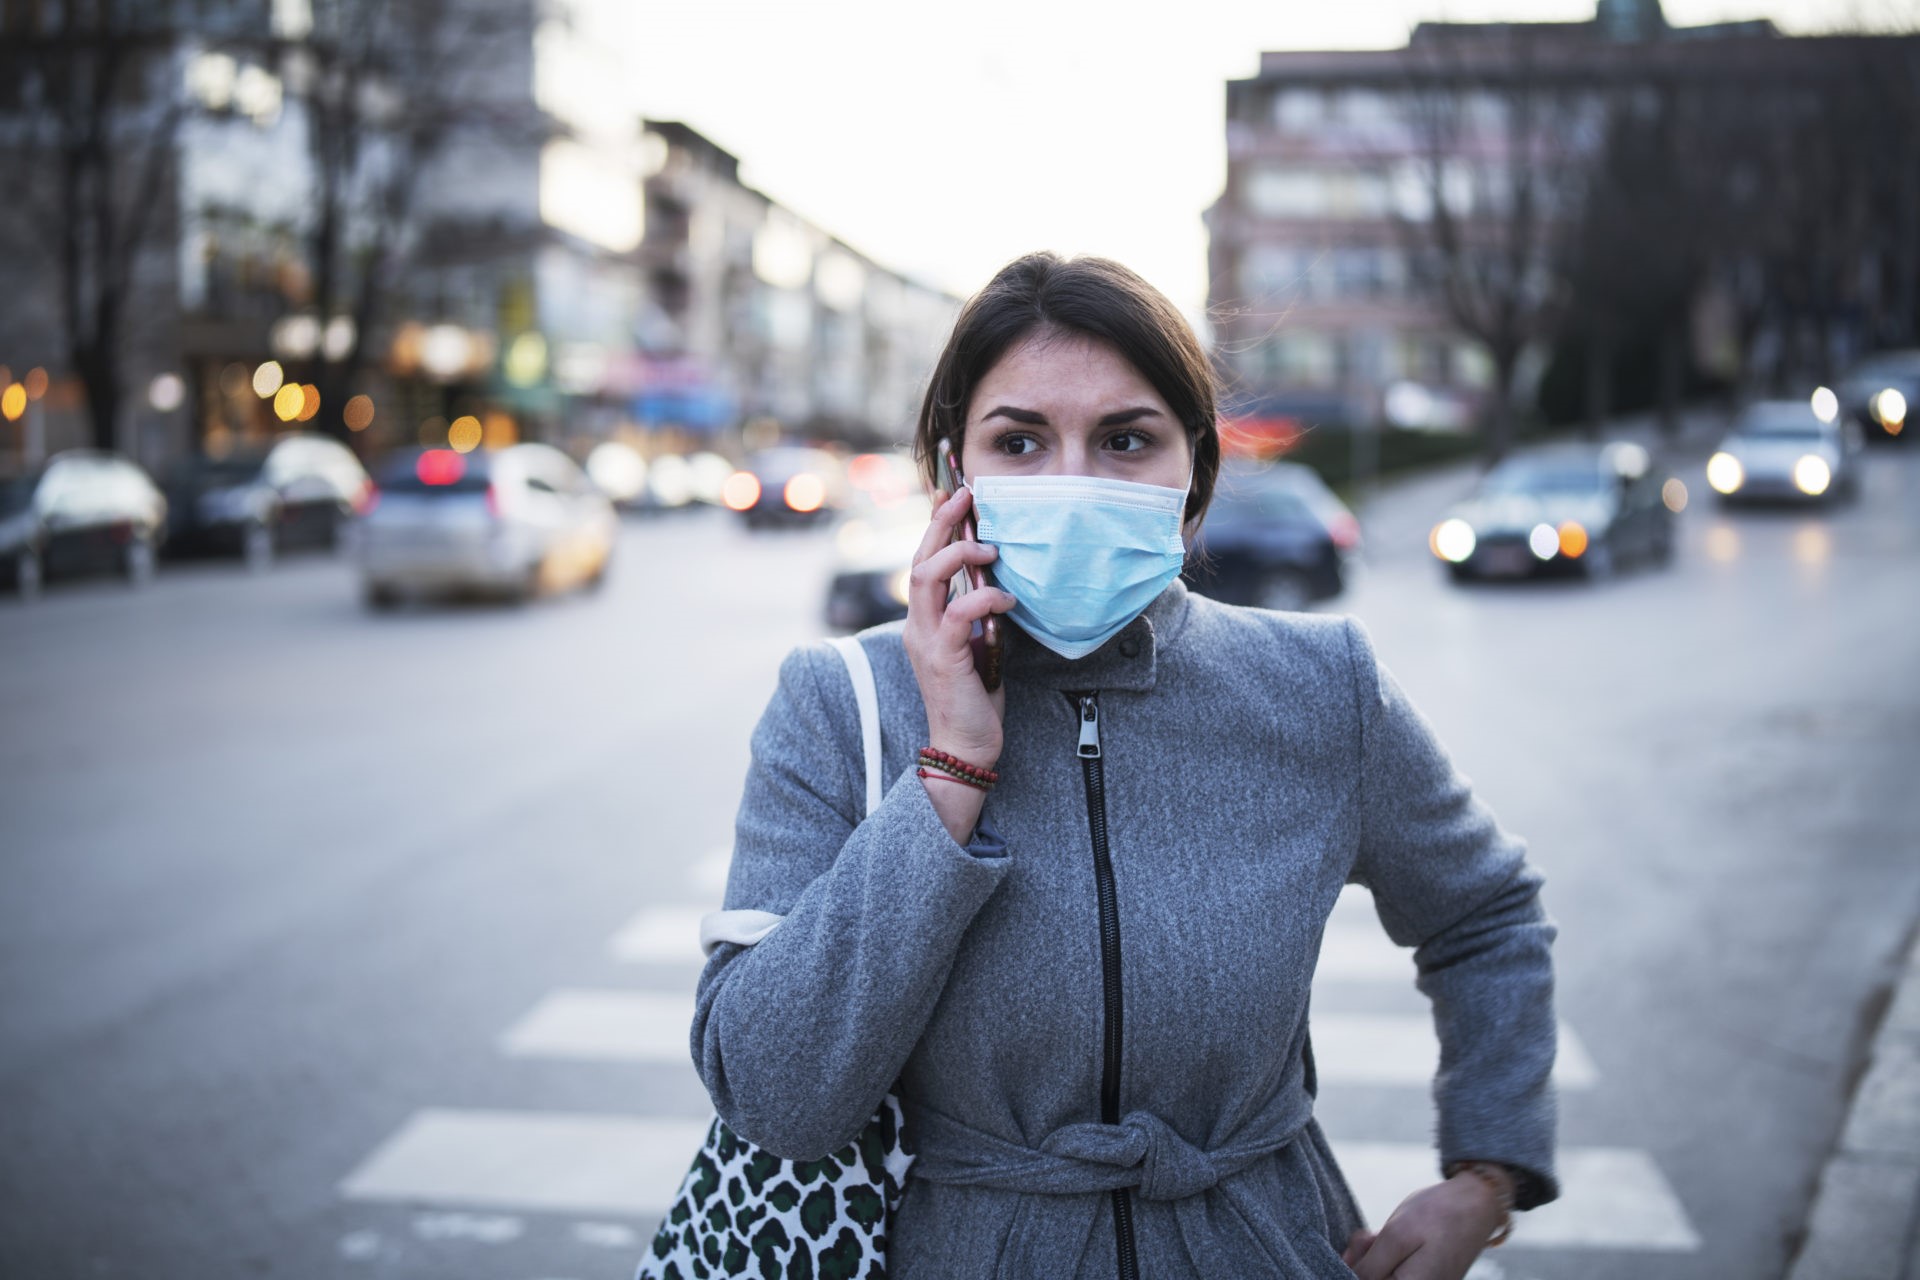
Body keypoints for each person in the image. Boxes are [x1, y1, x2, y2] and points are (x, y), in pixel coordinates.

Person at [691, 252, 1558, 1279]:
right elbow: (776, 1092)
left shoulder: (1320, 685)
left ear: (1193, 468)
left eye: (1125, 440)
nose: (1074, 482)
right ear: (954, 472)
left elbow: (1487, 913)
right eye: (1020, 440)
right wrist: (951, 771)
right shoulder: (838, 704)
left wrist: (1487, 1173)